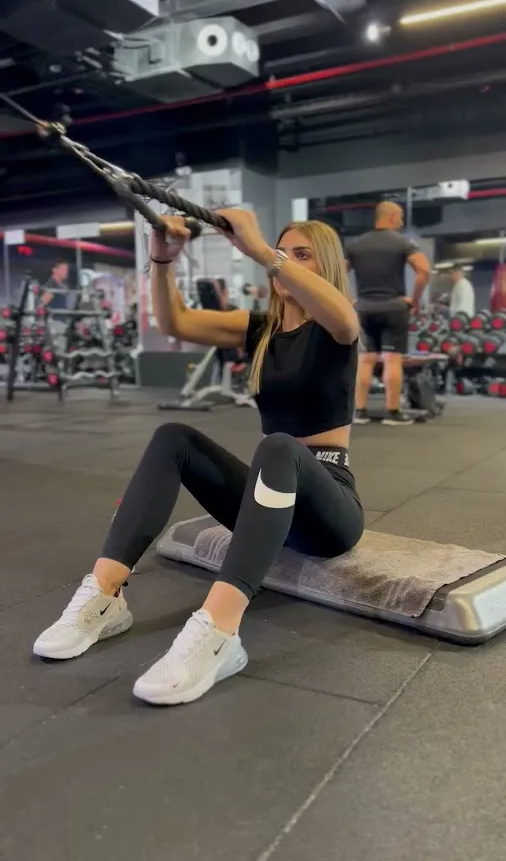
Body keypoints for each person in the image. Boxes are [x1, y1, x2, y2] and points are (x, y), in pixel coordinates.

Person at [33, 211, 364, 706]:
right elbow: (175, 321)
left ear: (327, 266)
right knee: (174, 437)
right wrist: (162, 260)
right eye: (284, 252)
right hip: (270, 500)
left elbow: (345, 318)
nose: (288, 262)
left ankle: (220, 632)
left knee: (278, 445)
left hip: (327, 510)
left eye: (303, 255)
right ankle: (104, 595)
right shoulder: (262, 330)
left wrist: (262, 251)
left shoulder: (337, 327)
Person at [347, 201, 430, 426]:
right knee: (392, 360)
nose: (401, 222)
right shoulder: (402, 242)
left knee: (365, 360)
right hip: (394, 307)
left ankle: (360, 412)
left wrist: (349, 299)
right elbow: (423, 270)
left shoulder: (356, 244)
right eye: (400, 217)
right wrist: (414, 299)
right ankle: (393, 413)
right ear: (392, 215)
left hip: (364, 308)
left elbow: (335, 273)